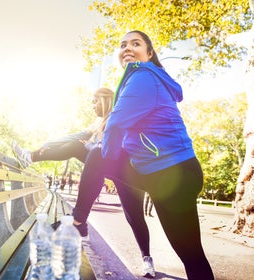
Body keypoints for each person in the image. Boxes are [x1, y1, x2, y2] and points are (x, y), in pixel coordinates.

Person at [72, 31, 214, 280]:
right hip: (157, 171)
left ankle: (77, 223)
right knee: (191, 255)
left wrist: (108, 163)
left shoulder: (143, 76)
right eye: (122, 44)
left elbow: (115, 123)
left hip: (174, 173)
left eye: (135, 44)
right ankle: (77, 222)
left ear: (149, 54)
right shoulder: (139, 78)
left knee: (191, 255)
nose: (127, 48)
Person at [12, 87, 155, 277]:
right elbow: (74, 138)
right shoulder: (98, 124)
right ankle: (30, 157)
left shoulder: (119, 116)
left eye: (95, 101)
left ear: (105, 100)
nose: (92, 105)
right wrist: (49, 145)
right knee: (79, 149)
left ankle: (147, 258)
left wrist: (91, 146)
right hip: (106, 163)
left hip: (128, 174)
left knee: (135, 217)